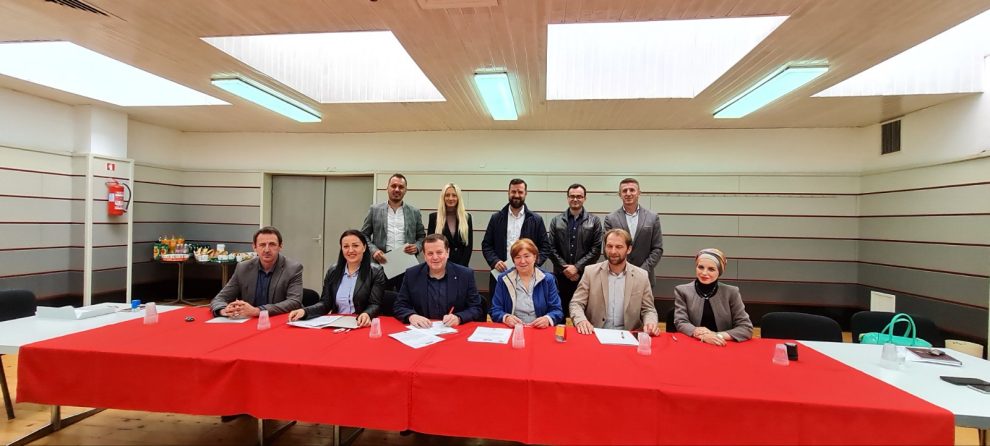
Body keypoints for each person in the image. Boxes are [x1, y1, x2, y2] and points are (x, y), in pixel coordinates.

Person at [569, 229, 660, 335]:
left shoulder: (642, 276)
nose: (613, 251)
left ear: (629, 249)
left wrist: (650, 323)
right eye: (609, 246)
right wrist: (581, 320)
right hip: (595, 333)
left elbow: (648, 309)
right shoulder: (590, 272)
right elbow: (576, 303)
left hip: (629, 334)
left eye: (619, 247)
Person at [287, 229, 385, 327]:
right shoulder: (333, 271)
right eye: (346, 246)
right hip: (337, 324)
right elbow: (325, 304)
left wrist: (367, 314)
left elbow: (375, 304)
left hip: (361, 324)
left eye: (355, 245)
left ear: (364, 247)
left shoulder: (375, 271)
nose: (351, 250)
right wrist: (304, 311)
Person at [481, 178, 549, 315]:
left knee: (526, 311)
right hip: (501, 274)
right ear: (508, 192)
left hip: (528, 275)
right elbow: (486, 244)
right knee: (500, 312)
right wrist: (494, 261)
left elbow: (545, 247)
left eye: (520, 192)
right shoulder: (496, 218)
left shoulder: (536, 220)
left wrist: (532, 264)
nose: (516, 195)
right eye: (513, 192)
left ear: (526, 193)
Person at [210, 226, 303, 318]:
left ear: (280, 246)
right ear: (254, 247)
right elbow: (220, 298)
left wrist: (257, 311)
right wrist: (224, 311)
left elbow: (294, 302)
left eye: (272, 244)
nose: (267, 250)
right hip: (250, 322)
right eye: (262, 245)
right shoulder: (243, 268)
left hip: (280, 321)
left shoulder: (293, 268)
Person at [393, 234, 484, 327]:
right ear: (424, 255)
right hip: (423, 330)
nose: (435, 257)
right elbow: (400, 305)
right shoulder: (412, 274)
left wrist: (459, 317)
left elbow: (476, 307)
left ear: (447, 252)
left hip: (454, 330)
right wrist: (411, 316)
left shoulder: (465, 275)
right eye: (430, 253)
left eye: (439, 252)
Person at [673, 248, 753, 345]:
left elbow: (746, 328)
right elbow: (680, 322)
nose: (704, 273)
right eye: (700, 267)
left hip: (722, 344)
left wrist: (716, 336)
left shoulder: (731, 292)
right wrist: (701, 335)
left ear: (719, 271)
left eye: (711, 269)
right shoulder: (682, 291)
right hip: (694, 344)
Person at [361, 173, 426, 290]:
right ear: (387, 188)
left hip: (406, 264)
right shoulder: (374, 210)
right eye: (393, 186)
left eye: (401, 187)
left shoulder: (414, 212)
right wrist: (374, 251)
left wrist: (417, 247)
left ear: (405, 190)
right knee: (381, 297)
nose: (397, 189)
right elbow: (363, 235)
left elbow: (422, 236)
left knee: (405, 297)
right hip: (382, 264)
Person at [547, 183, 602, 312]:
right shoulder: (556, 221)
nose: (575, 199)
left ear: (585, 198)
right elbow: (550, 248)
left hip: (584, 276)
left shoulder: (594, 221)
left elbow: (596, 249)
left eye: (579, 196)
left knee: (584, 313)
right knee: (559, 313)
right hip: (561, 276)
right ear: (567, 198)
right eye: (572, 196)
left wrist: (577, 268)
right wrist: (566, 269)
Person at [603, 177, 663, 294]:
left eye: (632, 190)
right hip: (618, 276)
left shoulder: (652, 217)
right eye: (624, 191)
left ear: (639, 193)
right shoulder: (610, 219)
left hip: (645, 276)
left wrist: (640, 271)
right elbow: (607, 249)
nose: (628, 193)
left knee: (643, 306)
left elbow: (657, 249)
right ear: (620, 194)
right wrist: (623, 269)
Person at [490, 238, 564, 328]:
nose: (522, 261)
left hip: (539, 329)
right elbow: (495, 310)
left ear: (535, 257)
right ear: (513, 260)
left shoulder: (547, 279)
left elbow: (557, 310)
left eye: (526, 256)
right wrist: (506, 318)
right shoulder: (504, 279)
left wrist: (547, 319)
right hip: (513, 329)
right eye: (518, 257)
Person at [427, 183, 473, 267]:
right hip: (440, 264)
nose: (450, 198)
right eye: (447, 195)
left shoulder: (467, 218)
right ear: (443, 197)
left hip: (461, 265)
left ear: (458, 198)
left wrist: (462, 267)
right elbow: (430, 245)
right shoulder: (434, 218)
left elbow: (468, 247)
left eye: (454, 195)